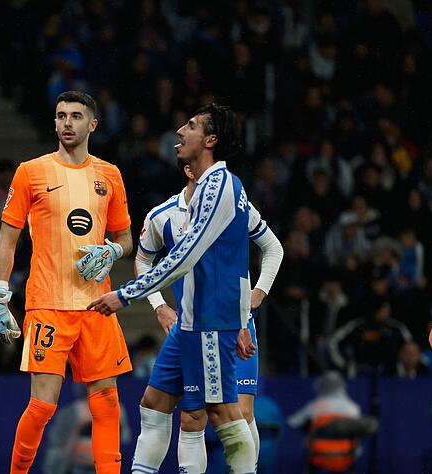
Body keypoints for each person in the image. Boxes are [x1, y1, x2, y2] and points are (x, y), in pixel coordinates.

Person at [88, 103, 257, 473]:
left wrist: (124, 294)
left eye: (192, 126)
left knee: (225, 414)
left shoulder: (222, 185)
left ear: (210, 140)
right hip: (190, 322)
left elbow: (185, 257)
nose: (180, 131)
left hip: (212, 318)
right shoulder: (192, 198)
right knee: (154, 402)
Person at [0, 90, 133, 473]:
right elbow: (8, 238)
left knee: (107, 402)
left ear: (92, 124)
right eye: (61, 115)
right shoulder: (31, 172)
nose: (67, 122)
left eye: (76, 116)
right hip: (48, 303)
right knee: (43, 405)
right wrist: (0, 296)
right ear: (53, 122)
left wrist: (112, 252)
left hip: (97, 304)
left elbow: (125, 238)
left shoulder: (109, 175)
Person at [131, 160, 283, 473]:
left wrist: (259, 293)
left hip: (233, 326)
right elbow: (143, 260)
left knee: (239, 411)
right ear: (190, 170)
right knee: (177, 412)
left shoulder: (235, 205)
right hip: (189, 328)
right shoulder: (163, 216)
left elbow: (273, 247)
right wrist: (159, 305)